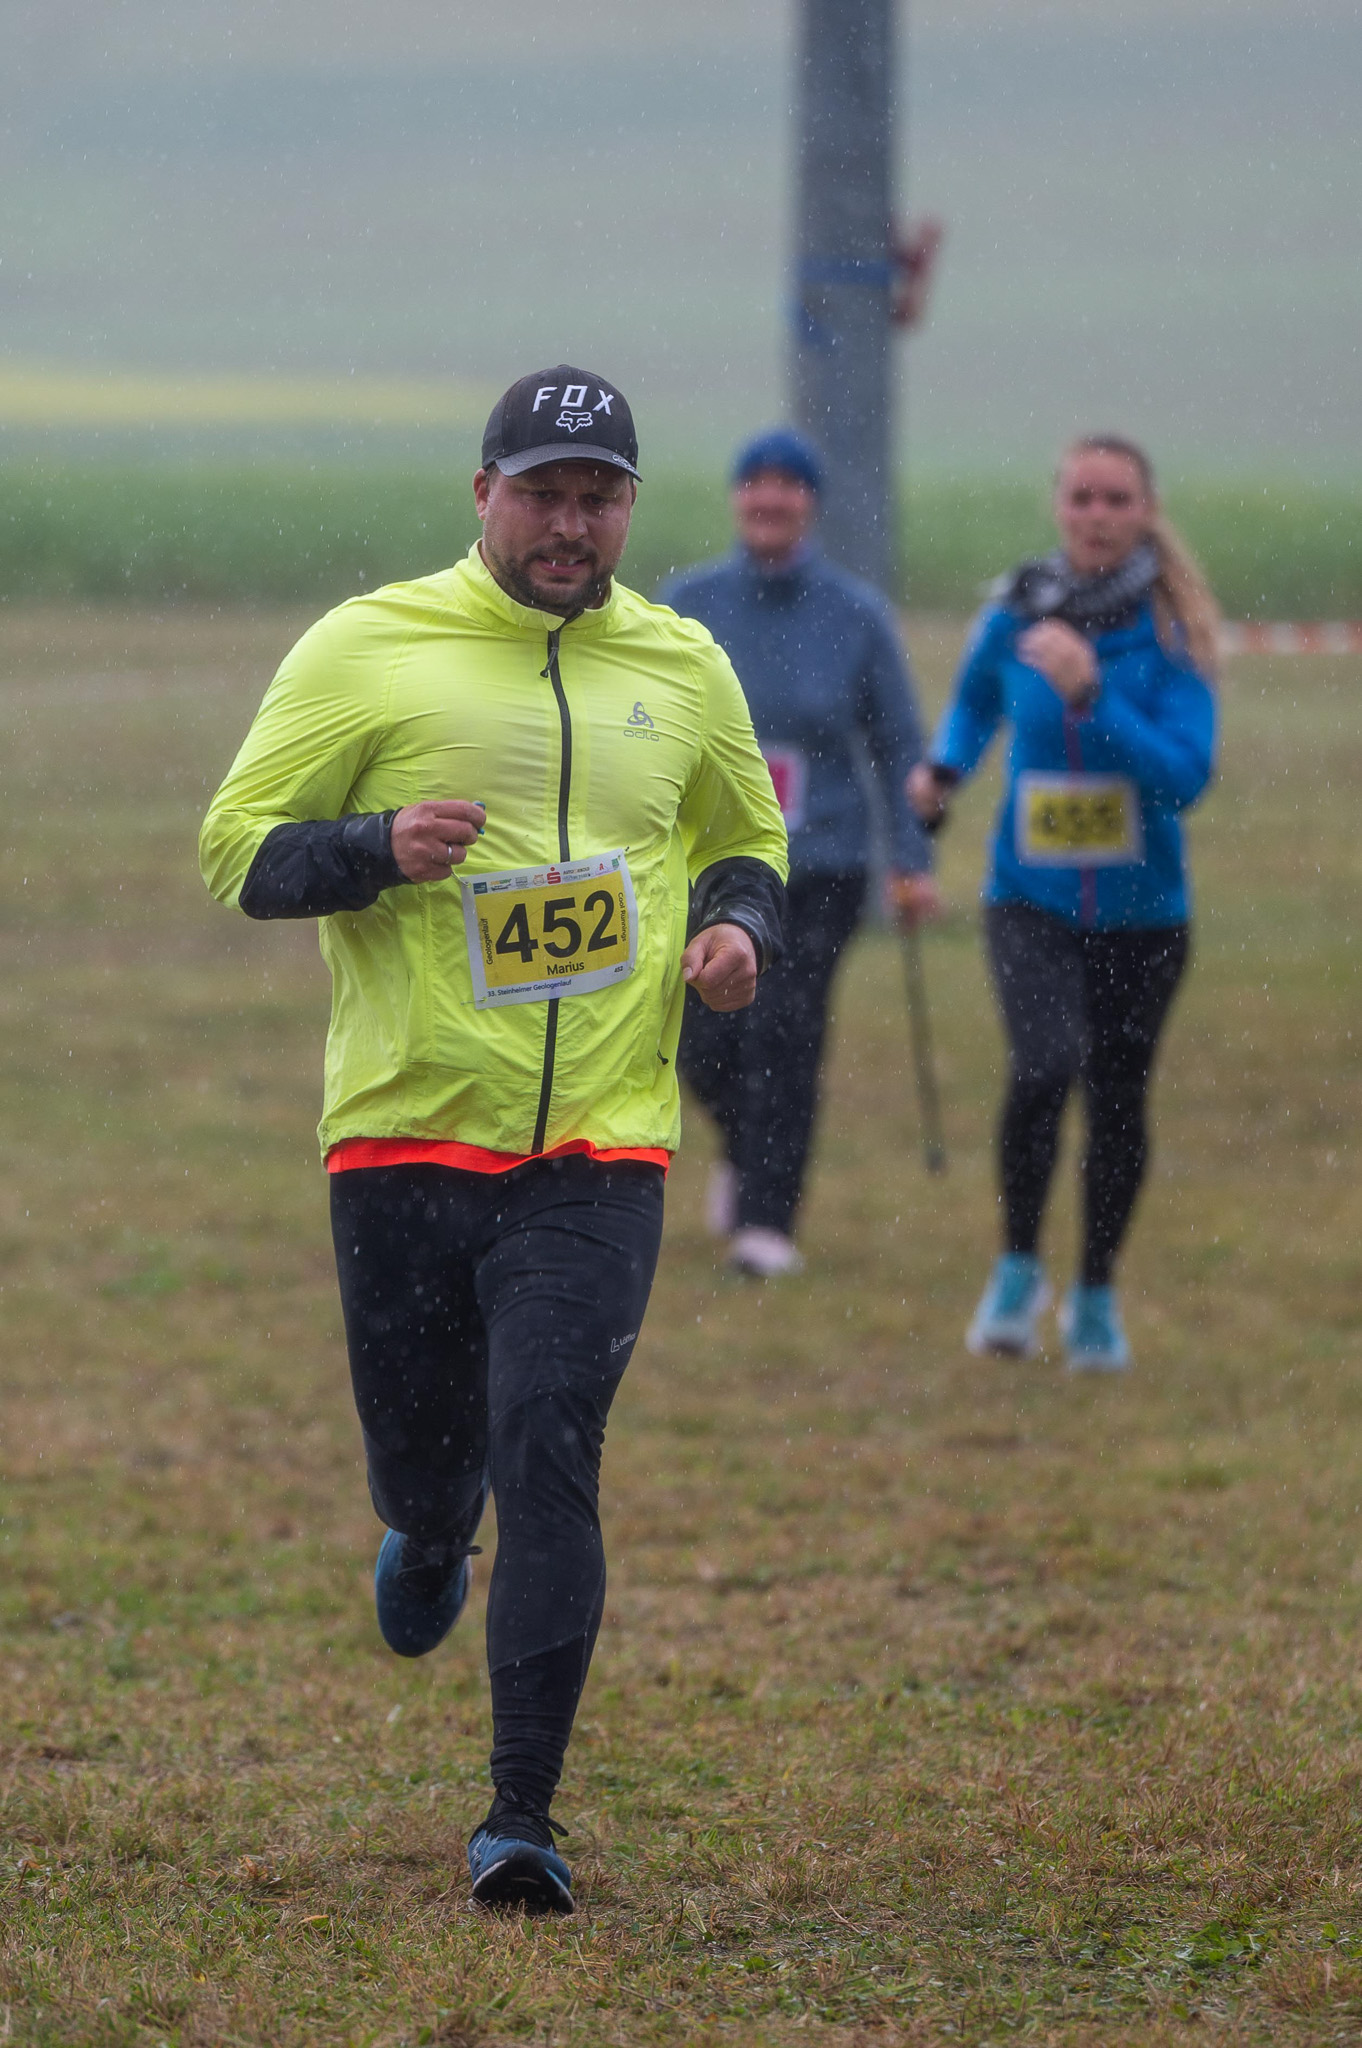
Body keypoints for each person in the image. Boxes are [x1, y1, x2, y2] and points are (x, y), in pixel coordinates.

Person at [199, 365, 787, 1914]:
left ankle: (519, 1815)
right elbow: (234, 852)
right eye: (541, 494)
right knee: (429, 1461)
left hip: (600, 1145)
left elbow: (745, 838)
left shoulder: (683, 663)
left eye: (598, 498)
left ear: (628, 509)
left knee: (551, 1444)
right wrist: (373, 848)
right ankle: (421, 1525)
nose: (568, 525)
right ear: (483, 495)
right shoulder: (367, 647)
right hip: (404, 1137)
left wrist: (739, 929)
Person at [909, 434, 1218, 1371]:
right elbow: (976, 703)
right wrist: (943, 770)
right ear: (1059, 505)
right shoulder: (1019, 610)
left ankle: (1095, 1293)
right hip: (1030, 899)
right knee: (1044, 1067)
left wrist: (1093, 698)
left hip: (1145, 916)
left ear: (1145, 512)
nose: (1097, 515)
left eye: (1116, 499)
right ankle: (1016, 1269)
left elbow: (1185, 778)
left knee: (1118, 1099)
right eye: (1081, 497)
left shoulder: (1173, 633)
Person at [661, 426, 937, 1279]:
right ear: (737, 498)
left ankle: (766, 1223)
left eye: (787, 485)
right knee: (701, 1042)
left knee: (785, 1030)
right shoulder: (688, 602)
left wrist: (912, 857)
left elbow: (898, 742)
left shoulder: (856, 614)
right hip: (709, 863)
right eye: (756, 483)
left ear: (810, 503)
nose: (770, 499)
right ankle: (747, 1150)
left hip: (821, 864)